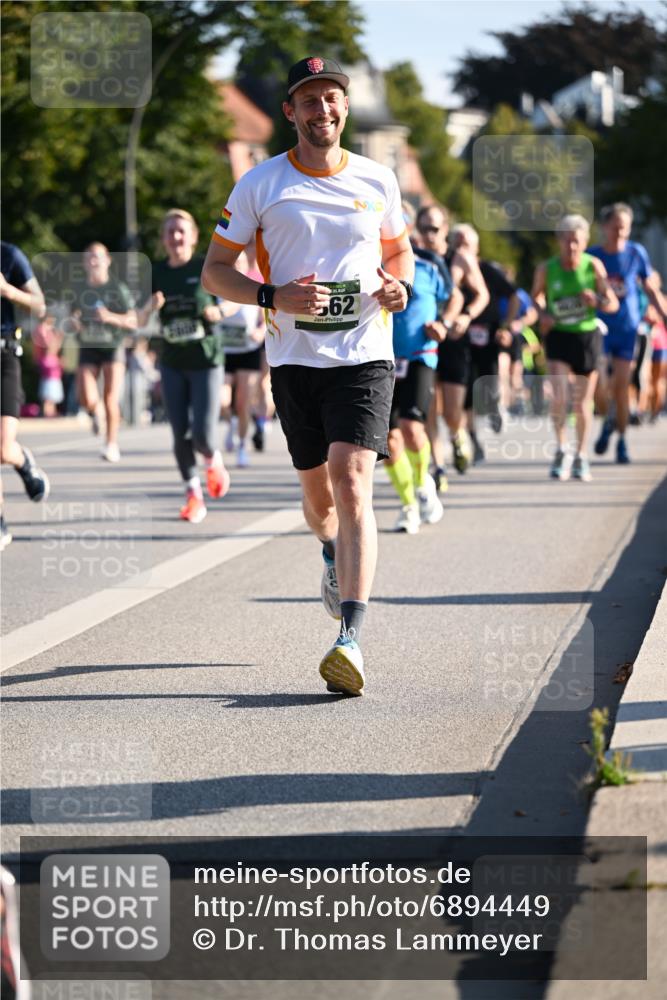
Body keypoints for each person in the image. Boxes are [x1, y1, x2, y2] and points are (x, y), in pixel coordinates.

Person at [202, 56, 414, 696]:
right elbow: (215, 269)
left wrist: (398, 286)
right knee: (320, 502)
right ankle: (328, 551)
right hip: (294, 362)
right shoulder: (259, 185)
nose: (324, 110)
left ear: (344, 108)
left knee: (353, 482)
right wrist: (273, 297)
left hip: (364, 355)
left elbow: (397, 250)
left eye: (333, 99)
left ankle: (350, 636)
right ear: (290, 112)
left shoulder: (379, 179)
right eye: (311, 101)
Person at [137, 208, 230, 523]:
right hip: (173, 362)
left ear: (192, 236)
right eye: (170, 232)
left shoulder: (206, 266)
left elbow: (233, 299)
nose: (176, 237)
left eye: (181, 231)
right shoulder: (156, 272)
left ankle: (213, 459)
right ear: (164, 239)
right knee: (179, 433)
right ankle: (193, 496)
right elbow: (138, 318)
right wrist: (150, 307)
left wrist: (220, 311)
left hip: (205, 360)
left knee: (202, 436)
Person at [532, 215, 618, 482]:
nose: (571, 247)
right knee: (559, 396)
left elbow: (612, 303)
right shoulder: (547, 268)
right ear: (559, 241)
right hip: (559, 334)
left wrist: (598, 299)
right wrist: (543, 312)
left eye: (576, 242)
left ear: (585, 242)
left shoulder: (594, 267)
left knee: (581, 403)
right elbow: (536, 296)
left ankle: (580, 455)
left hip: (586, 337)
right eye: (567, 241)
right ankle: (561, 450)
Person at [416, 205, 490, 482]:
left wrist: (466, 317)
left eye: (434, 229)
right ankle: (438, 467)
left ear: (445, 229)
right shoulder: (413, 259)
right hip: (423, 340)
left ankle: (458, 435)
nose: (428, 235)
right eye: (423, 229)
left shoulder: (459, 259)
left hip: (454, 341)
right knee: (428, 407)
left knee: (451, 411)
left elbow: (481, 294)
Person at [589, 203, 667, 463]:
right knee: (600, 389)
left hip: (627, 328)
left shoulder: (636, 253)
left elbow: (650, 288)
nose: (621, 232)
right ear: (604, 227)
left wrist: (664, 314)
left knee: (622, 388)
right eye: (616, 227)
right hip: (599, 328)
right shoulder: (593, 257)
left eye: (625, 227)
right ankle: (607, 420)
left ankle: (621, 440)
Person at [385, 248, 455, 532]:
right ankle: (408, 505)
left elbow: (454, 296)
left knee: (412, 428)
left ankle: (423, 480)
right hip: (380, 359)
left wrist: (444, 323)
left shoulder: (428, 266)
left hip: (419, 355)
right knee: (388, 442)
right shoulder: (365, 259)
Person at [449, 225, 520, 464]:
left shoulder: (488, 271)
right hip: (460, 339)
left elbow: (514, 297)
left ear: (476, 247)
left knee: (490, 379)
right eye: (457, 244)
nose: (462, 249)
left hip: (488, 335)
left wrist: (506, 326)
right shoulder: (447, 270)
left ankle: (494, 406)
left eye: (466, 244)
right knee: (466, 391)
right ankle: (473, 438)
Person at [0, 241, 50, 550]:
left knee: (3, 448)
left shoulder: (9, 255)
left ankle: (22, 460)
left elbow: (40, 305)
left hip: (4, 357)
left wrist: (7, 290)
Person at [70, 243, 137, 462]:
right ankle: (95, 412)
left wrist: (110, 317)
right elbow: (72, 316)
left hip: (112, 346)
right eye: (89, 257)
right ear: (84, 263)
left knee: (110, 397)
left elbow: (132, 320)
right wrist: (74, 322)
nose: (93, 261)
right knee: (87, 398)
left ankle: (111, 444)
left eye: (97, 257)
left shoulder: (117, 288)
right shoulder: (79, 288)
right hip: (88, 345)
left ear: (107, 260)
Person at [218, 250, 266, 468]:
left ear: (247, 266)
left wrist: (260, 332)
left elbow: (266, 319)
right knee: (223, 402)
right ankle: (233, 423)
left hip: (249, 351)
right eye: (234, 263)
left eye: (241, 263)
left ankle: (241, 446)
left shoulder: (253, 291)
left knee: (243, 401)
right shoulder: (219, 289)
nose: (237, 267)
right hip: (225, 353)